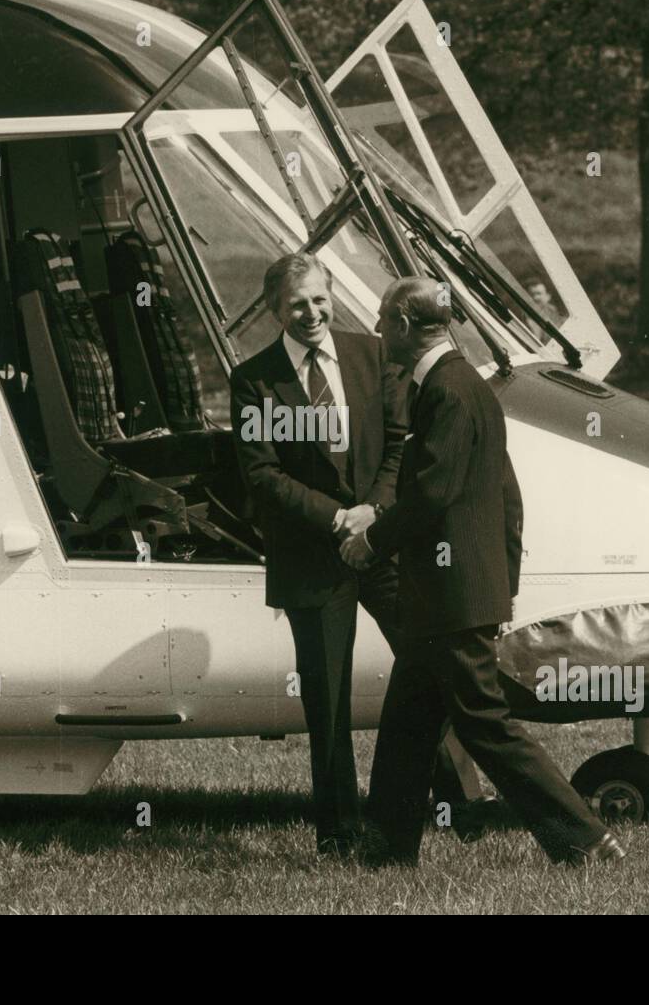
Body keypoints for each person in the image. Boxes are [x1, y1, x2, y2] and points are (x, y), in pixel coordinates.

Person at [341, 276, 625, 867]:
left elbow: (431, 494)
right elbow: (506, 497)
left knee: (486, 726)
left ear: (399, 324)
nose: (373, 330)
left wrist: (371, 540)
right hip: (451, 597)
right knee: (407, 726)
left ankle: (585, 839)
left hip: (449, 600)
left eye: (379, 319)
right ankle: (383, 853)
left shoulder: (444, 392)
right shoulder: (468, 387)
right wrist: (504, 589)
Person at [230, 253, 475, 856]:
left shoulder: (371, 356)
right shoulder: (254, 380)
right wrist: (337, 517)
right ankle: (338, 832)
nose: (310, 313)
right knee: (328, 700)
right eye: (295, 305)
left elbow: (400, 445)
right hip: (312, 561)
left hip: (384, 548)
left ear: (331, 293)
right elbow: (261, 476)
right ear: (273, 311)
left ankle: (455, 805)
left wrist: (374, 512)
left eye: (318, 299)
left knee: (432, 670)